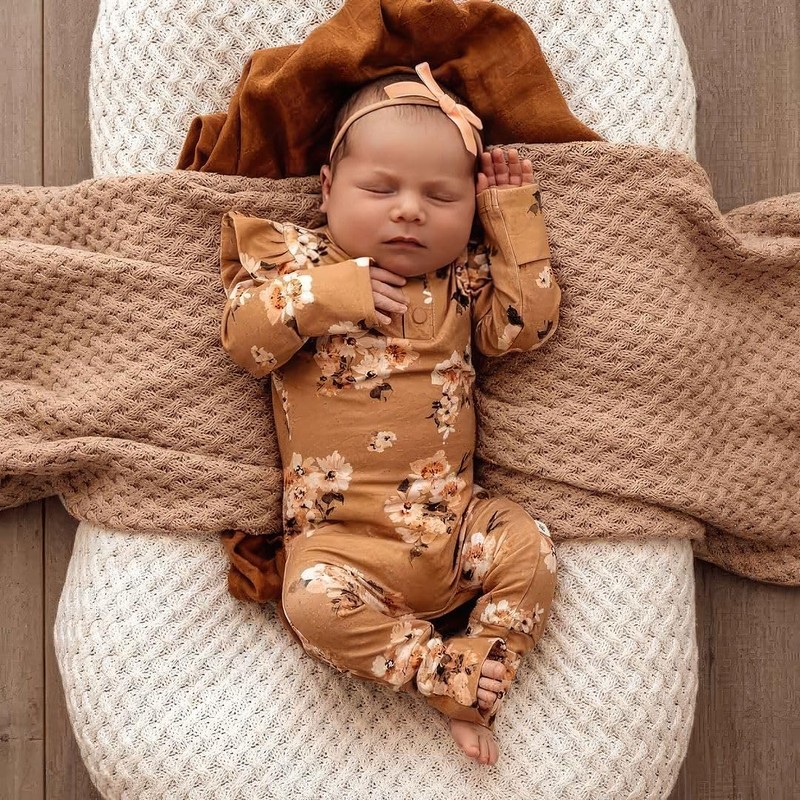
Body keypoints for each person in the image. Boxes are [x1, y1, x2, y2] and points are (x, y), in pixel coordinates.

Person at [218, 62, 560, 767]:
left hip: (456, 532)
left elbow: (526, 327)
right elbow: (244, 343)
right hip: (339, 548)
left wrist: (511, 220)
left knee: (531, 548)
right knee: (308, 603)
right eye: (381, 189)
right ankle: (439, 673)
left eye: (442, 196)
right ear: (327, 188)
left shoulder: (460, 280)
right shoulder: (299, 263)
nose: (409, 210)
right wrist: (329, 294)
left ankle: (483, 658)